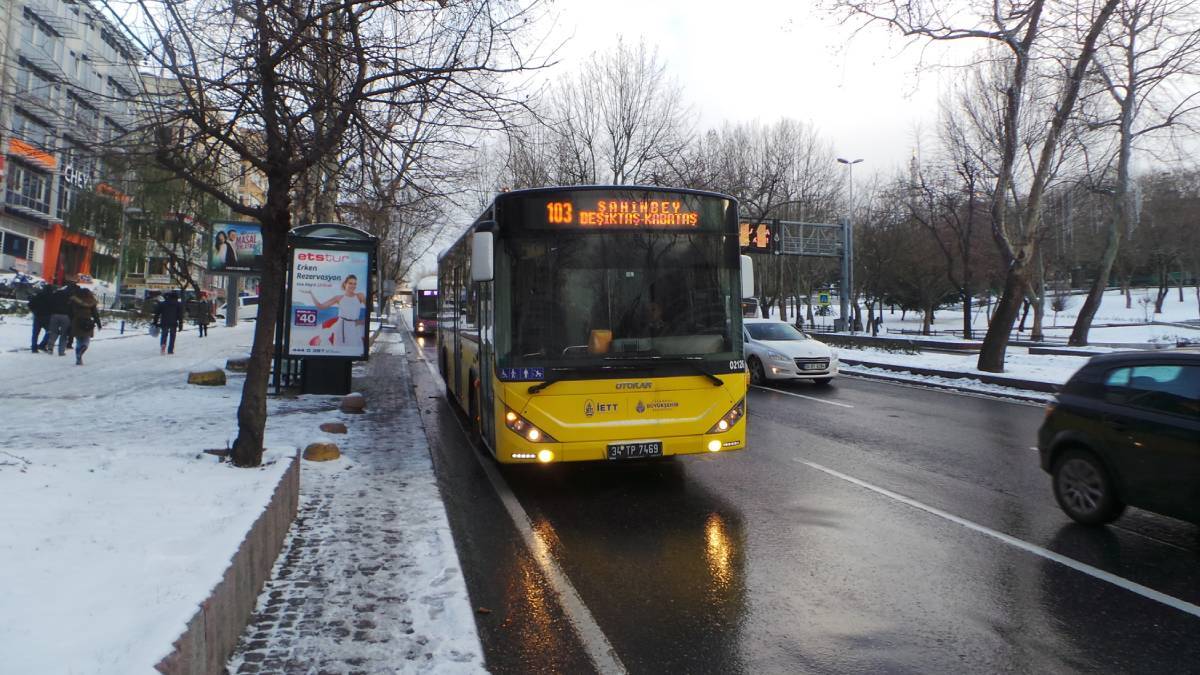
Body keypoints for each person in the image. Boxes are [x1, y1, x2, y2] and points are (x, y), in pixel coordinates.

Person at [309, 274, 366, 347]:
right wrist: (311, 294)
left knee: (355, 348)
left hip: (353, 326)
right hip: (340, 326)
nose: (353, 286)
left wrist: (362, 321)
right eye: (350, 283)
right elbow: (321, 306)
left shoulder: (360, 296)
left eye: (355, 284)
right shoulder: (338, 298)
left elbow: (369, 309)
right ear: (345, 284)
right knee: (339, 349)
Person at [68, 286, 102, 365]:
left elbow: (70, 311)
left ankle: (78, 358)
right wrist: (98, 323)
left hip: (76, 321)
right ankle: (82, 351)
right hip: (88, 321)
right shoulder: (91, 302)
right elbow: (95, 314)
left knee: (78, 340)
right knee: (86, 340)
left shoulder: (74, 300)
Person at [45, 281, 78, 356]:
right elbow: (71, 308)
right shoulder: (70, 297)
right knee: (64, 334)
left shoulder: (56, 294)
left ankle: (50, 348)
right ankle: (61, 351)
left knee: (53, 332)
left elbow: (50, 303)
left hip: (55, 314)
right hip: (65, 316)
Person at [28, 284, 56, 353]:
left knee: (35, 333)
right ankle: (43, 344)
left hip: (37, 316)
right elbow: (55, 307)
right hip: (47, 317)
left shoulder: (38, 295)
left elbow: (30, 304)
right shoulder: (52, 297)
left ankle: (34, 348)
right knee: (50, 331)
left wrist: (34, 311)